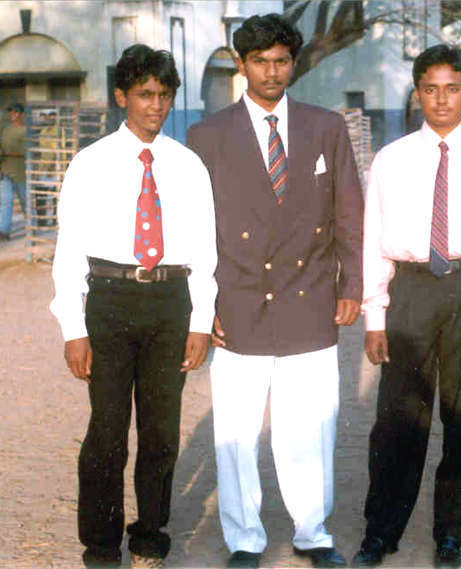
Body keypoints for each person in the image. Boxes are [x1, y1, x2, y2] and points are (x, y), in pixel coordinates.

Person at [186, 14, 363, 569]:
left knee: (310, 427)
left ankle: (313, 532)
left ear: (294, 63)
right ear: (242, 65)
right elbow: (195, 231)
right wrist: (203, 308)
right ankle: (244, 538)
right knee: (236, 432)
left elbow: (350, 214)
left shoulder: (325, 127)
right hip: (238, 302)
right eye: (260, 62)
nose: (271, 72)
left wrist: (352, 285)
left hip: (309, 297)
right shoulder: (207, 136)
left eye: (281, 61)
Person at [353, 44, 461, 569]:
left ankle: (451, 532)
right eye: (430, 89)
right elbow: (373, 240)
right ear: (417, 94)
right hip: (411, 290)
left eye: (452, 89)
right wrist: (375, 315)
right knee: (398, 417)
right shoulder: (392, 159)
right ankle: (381, 530)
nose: (441, 100)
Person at [49, 44, 217, 568]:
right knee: (107, 430)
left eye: (164, 95)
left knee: (162, 431)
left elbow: (205, 251)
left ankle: (149, 534)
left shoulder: (188, 165)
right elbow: (69, 251)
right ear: (122, 96)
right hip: (111, 300)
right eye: (145, 94)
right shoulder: (90, 163)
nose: (156, 106)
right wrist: (74, 328)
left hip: (170, 301)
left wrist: (200, 321)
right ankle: (101, 545)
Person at [0, 103, 27, 240]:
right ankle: (4, 231)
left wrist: (7, 154)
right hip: (5, 171)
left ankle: (32, 227)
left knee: (25, 202)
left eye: (15, 112)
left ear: (22, 114)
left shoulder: (25, 131)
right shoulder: (6, 130)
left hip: (20, 173)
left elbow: (26, 152)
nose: (12, 114)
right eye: (10, 112)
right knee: (6, 202)